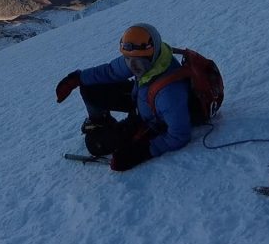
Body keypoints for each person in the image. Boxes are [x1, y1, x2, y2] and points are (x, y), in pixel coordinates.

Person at [55, 23, 192, 171]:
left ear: (152, 54)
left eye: (137, 61)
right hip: (142, 98)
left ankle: (111, 132)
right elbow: (110, 71)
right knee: (89, 87)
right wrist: (77, 78)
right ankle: (100, 122)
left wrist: (140, 153)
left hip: (150, 120)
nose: (132, 65)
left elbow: (179, 136)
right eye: (127, 58)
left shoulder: (170, 93)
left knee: (93, 144)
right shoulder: (145, 57)